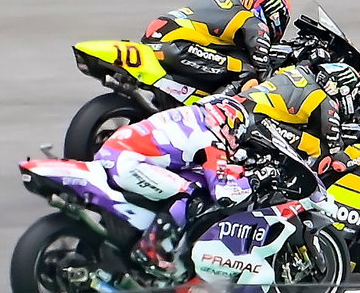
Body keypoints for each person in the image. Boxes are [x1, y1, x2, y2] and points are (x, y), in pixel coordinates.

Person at [94, 95, 259, 273]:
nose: (235, 142)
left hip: (114, 151)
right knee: (191, 192)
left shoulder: (190, 115)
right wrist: (251, 182)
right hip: (127, 164)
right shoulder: (212, 141)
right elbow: (222, 194)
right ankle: (151, 249)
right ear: (228, 125)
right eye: (236, 135)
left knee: (190, 178)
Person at [242, 61, 360, 178]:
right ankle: (299, 192)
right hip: (257, 120)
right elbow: (339, 161)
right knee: (320, 151)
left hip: (237, 107)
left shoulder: (298, 71)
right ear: (344, 90)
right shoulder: (325, 103)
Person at [141, 0, 292, 89]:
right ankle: (211, 119)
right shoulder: (251, 21)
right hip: (175, 44)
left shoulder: (227, 9)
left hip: (158, 37)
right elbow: (261, 62)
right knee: (246, 72)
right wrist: (274, 81)